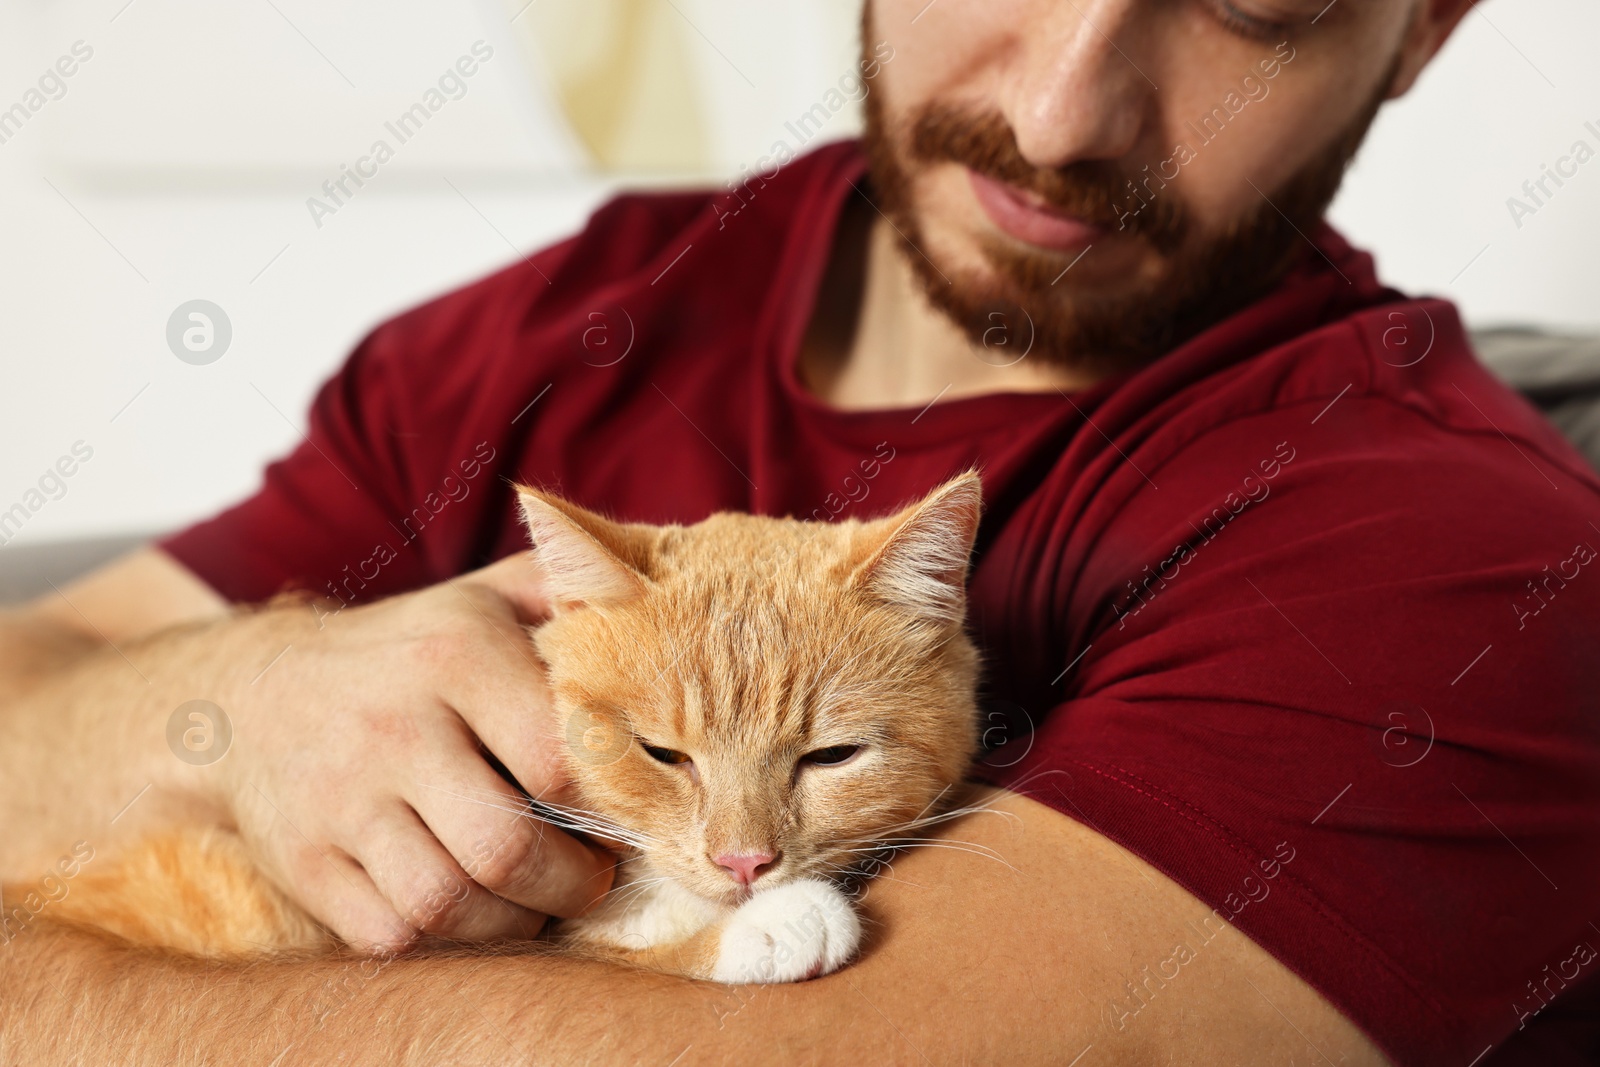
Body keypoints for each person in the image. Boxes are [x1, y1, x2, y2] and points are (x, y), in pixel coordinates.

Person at [3, 0, 1596, 1063]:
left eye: (1252, 1)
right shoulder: (580, 310)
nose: (1060, 115)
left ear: (1426, 26)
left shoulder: (1468, 567)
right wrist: (251, 700)